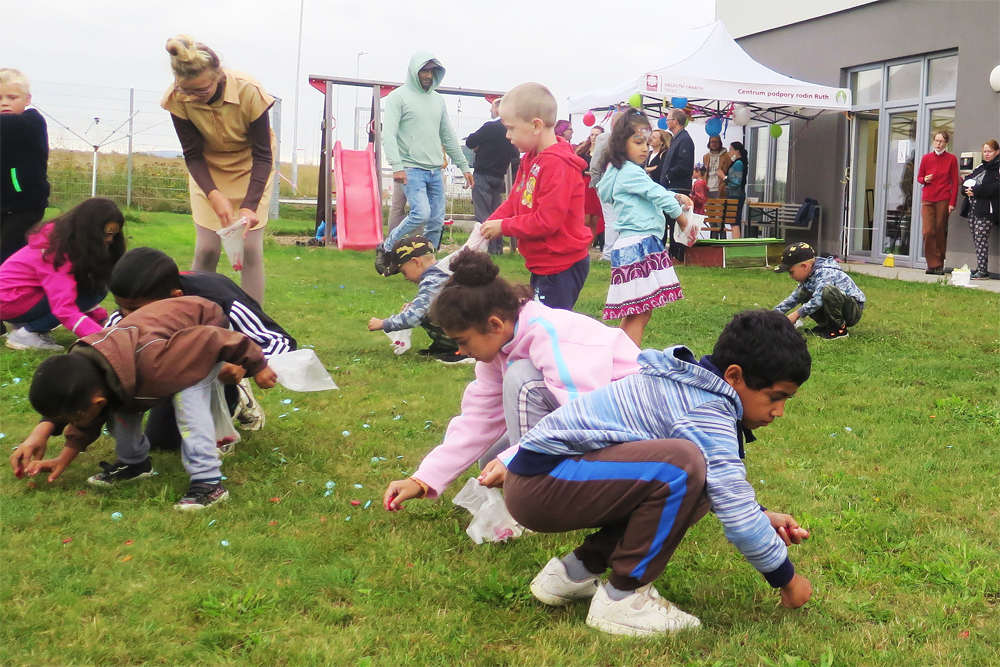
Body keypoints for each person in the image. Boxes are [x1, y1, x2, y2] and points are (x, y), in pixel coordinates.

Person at [488, 310, 813, 637]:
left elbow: (725, 492)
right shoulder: (706, 410)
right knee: (683, 465)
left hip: (544, 479)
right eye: (775, 397)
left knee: (695, 480)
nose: (779, 412)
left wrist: (762, 514)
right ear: (734, 376)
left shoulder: (692, 385)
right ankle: (622, 600)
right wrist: (787, 579)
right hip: (542, 484)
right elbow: (738, 519)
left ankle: (572, 574)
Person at [382, 250, 641, 511]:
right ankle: (537, 481)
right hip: (588, 422)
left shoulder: (550, 333)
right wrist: (423, 478)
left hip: (632, 424)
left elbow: (582, 416)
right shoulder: (500, 346)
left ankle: (541, 499)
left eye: (463, 341)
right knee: (492, 460)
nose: (461, 352)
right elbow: (478, 420)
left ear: (494, 324)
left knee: (522, 380)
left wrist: (517, 460)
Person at [9, 296, 277, 510]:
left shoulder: (156, 363)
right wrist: (62, 456)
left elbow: (212, 338)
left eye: (75, 416)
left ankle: (208, 482)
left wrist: (257, 363)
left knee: (188, 403)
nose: (76, 421)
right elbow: (85, 412)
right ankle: (135, 464)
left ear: (96, 399)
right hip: (152, 346)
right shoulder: (89, 368)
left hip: (200, 331)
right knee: (123, 407)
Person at [105, 247, 296, 445]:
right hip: (176, 365)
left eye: (135, 310)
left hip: (221, 369)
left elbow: (279, 341)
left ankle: (237, 396)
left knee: (197, 436)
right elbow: (109, 346)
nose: (128, 316)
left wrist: (247, 365)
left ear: (176, 297)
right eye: (121, 307)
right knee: (163, 440)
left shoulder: (221, 300)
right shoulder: (133, 306)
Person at [161, 35, 275, 305]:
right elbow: (192, 154)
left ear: (218, 75)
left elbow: (262, 155)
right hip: (208, 169)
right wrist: (213, 194)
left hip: (251, 166)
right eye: (187, 90)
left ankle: (254, 325)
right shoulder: (177, 98)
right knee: (207, 249)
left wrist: (250, 205)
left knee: (249, 248)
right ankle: (196, 314)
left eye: (201, 91)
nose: (193, 97)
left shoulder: (249, 91)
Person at [479, 83, 593, 311]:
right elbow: (515, 200)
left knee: (549, 328)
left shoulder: (557, 165)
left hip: (561, 265)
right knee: (540, 322)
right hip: (544, 262)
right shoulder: (531, 158)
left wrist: (504, 226)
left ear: (536, 125)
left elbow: (547, 221)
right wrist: (489, 224)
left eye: (511, 129)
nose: (508, 136)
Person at [596, 108, 691, 347]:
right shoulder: (630, 172)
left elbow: (649, 193)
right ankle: (629, 362)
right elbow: (656, 193)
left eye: (647, 143)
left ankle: (619, 357)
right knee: (641, 312)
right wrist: (681, 218)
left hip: (630, 245)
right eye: (638, 142)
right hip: (639, 245)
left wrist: (677, 197)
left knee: (635, 311)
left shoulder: (620, 171)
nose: (645, 148)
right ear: (620, 144)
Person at [375, 51, 474, 271]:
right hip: (411, 168)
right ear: (414, 71)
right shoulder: (398, 97)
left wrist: (465, 167)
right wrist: (397, 166)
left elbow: (447, 137)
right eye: (424, 70)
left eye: (432, 71)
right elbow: (388, 134)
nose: (428, 75)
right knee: (422, 213)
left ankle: (428, 266)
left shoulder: (438, 100)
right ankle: (387, 247)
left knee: (436, 220)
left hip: (434, 170)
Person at [1, 198, 124, 351]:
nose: (110, 240)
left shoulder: (61, 240)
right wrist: (102, 338)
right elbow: (64, 306)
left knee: (94, 290)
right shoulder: (56, 252)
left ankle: (27, 327)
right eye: (107, 234)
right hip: (10, 301)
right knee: (92, 291)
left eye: (114, 235)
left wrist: (102, 321)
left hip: (15, 298)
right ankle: (27, 333)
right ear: (91, 230)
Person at [367, 235, 471, 364]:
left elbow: (414, 317)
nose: (405, 278)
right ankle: (446, 346)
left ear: (416, 262)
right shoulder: (439, 273)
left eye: (404, 272)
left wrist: (384, 324)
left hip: (471, 328)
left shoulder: (433, 279)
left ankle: (464, 350)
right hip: (471, 321)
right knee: (426, 309)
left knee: (428, 311)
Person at [1, 68, 50, 265]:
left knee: (7, 257)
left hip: (25, 207)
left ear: (28, 99)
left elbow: (9, 125)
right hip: (3, 204)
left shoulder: (32, 122)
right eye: (0, 97)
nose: (5, 102)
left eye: (12, 97)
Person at [773, 242, 866, 340]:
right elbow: (793, 298)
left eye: (791, 272)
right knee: (802, 292)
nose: (790, 276)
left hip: (852, 311)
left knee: (829, 291)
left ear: (805, 266)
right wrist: (773, 315)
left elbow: (817, 300)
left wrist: (796, 314)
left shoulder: (826, 272)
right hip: (836, 306)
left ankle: (839, 329)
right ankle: (824, 327)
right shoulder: (808, 276)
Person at [466, 98, 520, 255]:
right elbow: (515, 153)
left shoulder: (490, 127)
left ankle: (487, 249)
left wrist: (479, 147)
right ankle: (497, 249)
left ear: (498, 109)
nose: (490, 111)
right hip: (500, 175)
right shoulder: (510, 130)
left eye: (492, 107)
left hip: (483, 174)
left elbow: (470, 141)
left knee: (483, 213)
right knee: (496, 213)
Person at [917, 130, 960, 275]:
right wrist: (925, 180)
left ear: (946, 143)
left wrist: (952, 202)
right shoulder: (926, 158)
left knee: (940, 230)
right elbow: (919, 177)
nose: (938, 144)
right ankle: (933, 263)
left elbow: (955, 182)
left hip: (943, 198)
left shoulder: (951, 159)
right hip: (928, 198)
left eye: (941, 141)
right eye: (936, 141)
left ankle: (939, 264)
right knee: (928, 231)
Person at [960, 140, 999, 280]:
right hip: (973, 208)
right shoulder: (980, 167)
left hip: (986, 209)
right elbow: (967, 179)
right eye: (985, 151)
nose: (987, 154)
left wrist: (975, 191)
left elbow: (995, 188)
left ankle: (983, 270)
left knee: (981, 237)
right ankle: (980, 267)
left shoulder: (997, 169)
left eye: (990, 151)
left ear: (997, 152)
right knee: (977, 239)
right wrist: (966, 190)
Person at [576, 126, 606, 249]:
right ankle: (583, 245)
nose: (594, 137)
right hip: (585, 184)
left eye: (597, 135)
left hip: (597, 184)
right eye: (592, 135)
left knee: (595, 219)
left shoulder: (605, 151)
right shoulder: (583, 150)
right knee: (585, 219)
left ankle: (591, 244)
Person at [725, 141, 749, 239]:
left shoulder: (739, 163)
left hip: (736, 194)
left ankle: (736, 240)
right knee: (733, 220)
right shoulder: (736, 162)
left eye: (731, 150)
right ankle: (735, 239)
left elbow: (736, 181)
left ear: (737, 151)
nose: (729, 152)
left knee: (735, 220)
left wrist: (724, 178)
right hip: (732, 194)